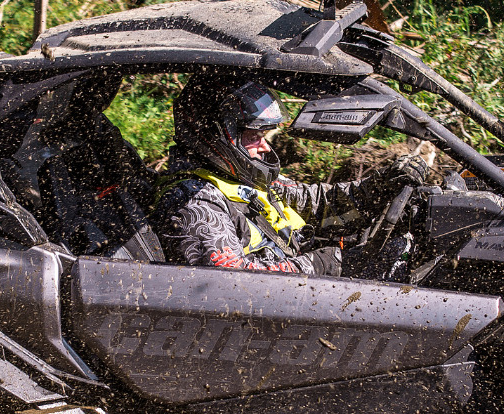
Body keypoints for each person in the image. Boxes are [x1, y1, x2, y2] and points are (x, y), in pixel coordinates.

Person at [152, 77, 423, 275]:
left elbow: (318, 204)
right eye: (253, 137)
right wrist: (323, 265)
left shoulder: (243, 183)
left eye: (264, 135)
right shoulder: (194, 203)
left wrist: (381, 185)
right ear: (216, 135)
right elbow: (234, 284)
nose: (264, 147)